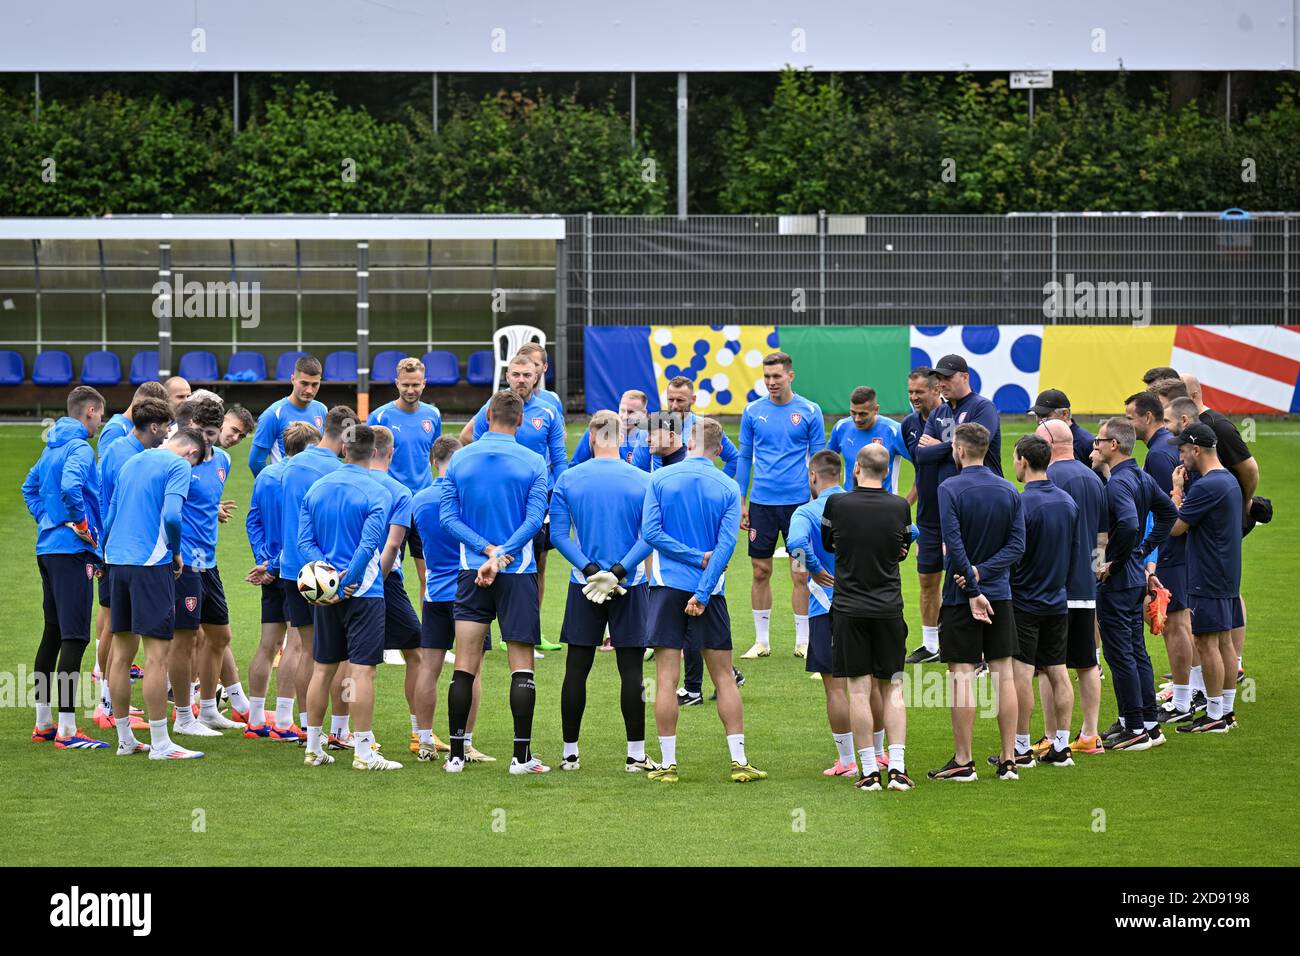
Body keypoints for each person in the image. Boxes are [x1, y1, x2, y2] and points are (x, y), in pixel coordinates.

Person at [643, 416, 765, 784]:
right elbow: (726, 548)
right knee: (724, 678)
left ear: (688, 441)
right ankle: (739, 761)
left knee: (666, 678)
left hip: (666, 588)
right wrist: (702, 587)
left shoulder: (659, 479)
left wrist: (690, 558)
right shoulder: (728, 487)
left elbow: (651, 533)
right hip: (710, 592)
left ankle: (668, 765)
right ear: (717, 448)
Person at [441, 390, 550, 774]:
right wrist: (502, 555)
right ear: (520, 420)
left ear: (487, 416)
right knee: (521, 666)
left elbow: (448, 518)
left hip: (472, 572)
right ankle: (521, 757)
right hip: (517, 574)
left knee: (465, 664)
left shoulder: (459, 459)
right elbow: (535, 521)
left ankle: (455, 754)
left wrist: (485, 552)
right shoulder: (534, 461)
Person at [550, 411, 659, 772]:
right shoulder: (644, 480)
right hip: (629, 585)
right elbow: (650, 537)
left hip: (583, 586)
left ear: (593, 438)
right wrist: (618, 572)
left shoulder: (568, 478)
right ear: (621, 438)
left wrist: (591, 570)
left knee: (576, 668)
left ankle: (569, 753)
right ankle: (636, 754)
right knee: (631, 670)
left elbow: (557, 536)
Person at [298, 424, 401, 771]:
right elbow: (369, 544)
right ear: (373, 453)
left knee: (322, 669)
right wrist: (347, 583)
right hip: (365, 593)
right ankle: (363, 752)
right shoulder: (378, 491)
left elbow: (303, 543)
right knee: (361, 673)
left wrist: (326, 577)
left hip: (324, 594)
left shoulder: (316, 488)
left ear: (343, 449)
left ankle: (314, 747)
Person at [101, 427, 207, 758]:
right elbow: (173, 516)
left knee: (121, 655)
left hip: (116, 562)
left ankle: (125, 739)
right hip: (151, 565)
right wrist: (175, 551)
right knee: (156, 656)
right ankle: (161, 744)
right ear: (191, 453)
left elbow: (110, 517)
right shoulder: (178, 466)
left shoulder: (131, 462)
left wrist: (108, 554)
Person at [927, 423, 1024, 783]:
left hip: (959, 596)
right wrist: (983, 575)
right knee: (1004, 676)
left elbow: (953, 544)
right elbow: (1017, 547)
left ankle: (963, 761)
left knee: (962, 676)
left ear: (959, 449)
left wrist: (971, 587)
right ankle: (1009, 758)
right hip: (1001, 595)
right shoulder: (1009, 490)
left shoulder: (949, 488)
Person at [819, 444, 914, 791]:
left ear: (856, 468)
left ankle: (869, 771)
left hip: (849, 609)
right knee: (893, 690)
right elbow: (902, 547)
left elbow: (829, 544)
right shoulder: (900, 506)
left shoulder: (837, 504)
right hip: (889, 609)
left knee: (858, 692)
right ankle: (899, 767)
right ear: (887, 472)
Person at [462, 355, 567, 654]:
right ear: (508, 376)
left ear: (537, 376)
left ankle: (524, 633)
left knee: (532, 565)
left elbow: (559, 459)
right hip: (494, 501)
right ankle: (480, 634)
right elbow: (471, 441)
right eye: (517, 374)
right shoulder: (493, 407)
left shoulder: (548, 411)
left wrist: (559, 499)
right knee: (485, 553)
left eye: (527, 375)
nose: (522, 379)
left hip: (535, 501)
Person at [24, 386, 107, 750]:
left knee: (53, 634)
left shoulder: (51, 447)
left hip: (48, 549)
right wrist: (79, 524)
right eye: (101, 415)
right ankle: (69, 729)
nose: (101, 422)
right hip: (72, 552)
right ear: (89, 411)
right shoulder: (78, 448)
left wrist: (47, 520)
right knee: (75, 637)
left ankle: (44, 722)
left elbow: (29, 488)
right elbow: (73, 488)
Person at [913, 354, 1002, 677]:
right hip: (943, 508)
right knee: (953, 577)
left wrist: (942, 445)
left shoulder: (982, 407)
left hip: (979, 505)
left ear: (964, 376)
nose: (941, 383)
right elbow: (920, 455)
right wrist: (948, 446)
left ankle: (987, 651)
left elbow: (977, 445)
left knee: (978, 574)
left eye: (947, 377)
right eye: (939, 378)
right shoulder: (938, 411)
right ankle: (958, 647)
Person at [1092, 417, 1176, 752]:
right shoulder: (1140, 476)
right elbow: (1168, 513)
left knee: (1119, 654)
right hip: (1132, 578)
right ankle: (1147, 723)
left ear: (1114, 445)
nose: (1095, 445)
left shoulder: (1118, 483)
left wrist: (1117, 559)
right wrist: (1141, 552)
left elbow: (1126, 523)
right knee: (1136, 650)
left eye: (1099, 441)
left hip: (1117, 579)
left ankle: (1136, 728)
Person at [736, 351, 826, 660]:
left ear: (790, 376)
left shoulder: (810, 411)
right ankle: (762, 642)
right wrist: (742, 501)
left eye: (777, 376)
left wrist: (816, 505)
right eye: (767, 376)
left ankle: (803, 641)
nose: (771, 382)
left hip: (799, 507)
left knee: (800, 572)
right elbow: (745, 458)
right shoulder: (752, 412)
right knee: (760, 570)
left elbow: (818, 462)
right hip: (761, 505)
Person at [409, 437, 494, 763]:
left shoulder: (419, 500)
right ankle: (465, 743)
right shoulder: (469, 498)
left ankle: (426, 740)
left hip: (435, 592)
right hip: (470, 589)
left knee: (429, 667)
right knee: (471, 669)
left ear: (433, 462)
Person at [167, 398, 247, 737]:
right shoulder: (179, 461)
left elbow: (203, 500)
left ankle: (210, 709)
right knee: (184, 640)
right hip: (183, 561)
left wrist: (212, 511)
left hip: (208, 561)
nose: (208, 440)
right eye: (203, 432)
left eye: (213, 433)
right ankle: (184, 717)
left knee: (220, 635)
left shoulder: (223, 461)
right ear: (191, 427)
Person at [91, 397, 172, 730]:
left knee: (117, 633)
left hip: (113, 551)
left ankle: (111, 708)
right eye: (166, 426)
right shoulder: (135, 458)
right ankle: (107, 706)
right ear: (153, 425)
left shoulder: (114, 449)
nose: (168, 433)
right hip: (135, 556)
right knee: (125, 636)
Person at [241, 421, 320, 741]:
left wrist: (263, 559)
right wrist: (274, 564)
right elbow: (296, 529)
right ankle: (285, 720)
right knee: (296, 645)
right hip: (292, 570)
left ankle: (257, 719)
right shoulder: (302, 477)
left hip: (270, 569)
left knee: (267, 643)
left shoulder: (267, 476)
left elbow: (253, 520)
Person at [279, 406, 353, 745]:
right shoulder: (339, 471)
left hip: (293, 569)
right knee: (341, 654)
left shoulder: (288, 467)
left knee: (306, 650)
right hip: (327, 572)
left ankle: (309, 729)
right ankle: (339, 729)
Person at [1037, 419, 1108, 756]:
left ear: (1050, 443)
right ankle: (1090, 735)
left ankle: (1053, 736)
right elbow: (1102, 536)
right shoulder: (1094, 478)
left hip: (1054, 587)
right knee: (1086, 663)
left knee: (1049, 666)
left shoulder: (1048, 478)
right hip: (1084, 587)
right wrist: (1093, 572)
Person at [1182, 373, 1258, 683]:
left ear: (1195, 394)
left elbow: (1250, 469)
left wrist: (1244, 505)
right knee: (1221, 590)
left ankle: (1227, 671)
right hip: (1207, 513)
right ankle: (1213, 677)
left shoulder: (1219, 426)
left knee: (1224, 591)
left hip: (1218, 518)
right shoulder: (1193, 429)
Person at [1125, 390, 1195, 724]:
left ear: (1147, 418)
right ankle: (1189, 691)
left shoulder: (1158, 455)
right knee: (1177, 622)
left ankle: (1183, 699)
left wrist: (1151, 553)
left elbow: (1163, 509)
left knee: (1175, 622)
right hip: (1175, 548)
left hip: (1171, 550)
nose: (1128, 424)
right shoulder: (1166, 448)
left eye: (1130, 417)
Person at [1008, 434, 1078, 768]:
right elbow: (1076, 552)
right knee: (1058, 671)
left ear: (1022, 459)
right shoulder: (1068, 502)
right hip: (1057, 600)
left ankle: (1021, 749)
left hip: (1024, 602)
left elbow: (1014, 554)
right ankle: (1062, 746)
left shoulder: (1020, 503)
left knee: (1021, 675)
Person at [1168, 424, 1243, 733]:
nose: (1181, 457)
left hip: (1206, 575)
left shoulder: (1207, 486)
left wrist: (1175, 491)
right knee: (1224, 641)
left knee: (1206, 641)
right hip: (1226, 573)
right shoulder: (1229, 481)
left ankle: (1214, 716)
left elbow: (1176, 527)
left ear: (1196, 450)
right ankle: (1225, 711)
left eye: (1183, 450)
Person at [785, 450, 854, 776]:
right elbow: (909, 532)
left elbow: (796, 543)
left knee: (836, 687)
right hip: (868, 604)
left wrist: (812, 568)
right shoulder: (863, 504)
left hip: (825, 605)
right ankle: (882, 754)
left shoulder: (806, 511)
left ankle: (847, 759)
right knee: (874, 683)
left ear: (813, 477)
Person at [365, 425, 425, 755]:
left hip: (340, 577)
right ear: (391, 453)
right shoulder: (399, 491)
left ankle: (339, 733)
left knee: (346, 659)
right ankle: (419, 734)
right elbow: (393, 545)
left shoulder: (340, 482)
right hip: (383, 580)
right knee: (415, 652)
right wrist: (376, 578)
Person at [367, 356, 442, 584]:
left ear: (424, 383)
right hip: (391, 503)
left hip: (422, 504)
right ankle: (383, 620)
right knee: (385, 573)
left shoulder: (433, 415)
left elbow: (433, 454)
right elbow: (368, 460)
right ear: (397, 383)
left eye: (415, 384)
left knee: (428, 576)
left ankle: (427, 622)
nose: (410, 389)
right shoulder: (380, 416)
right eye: (406, 384)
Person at [901, 367, 944, 665]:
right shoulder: (909, 425)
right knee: (927, 580)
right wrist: (906, 504)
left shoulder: (952, 420)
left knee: (964, 581)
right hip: (928, 519)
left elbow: (961, 455)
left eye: (919, 392)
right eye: (911, 392)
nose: (914, 397)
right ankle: (931, 645)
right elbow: (919, 470)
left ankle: (971, 646)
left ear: (935, 390)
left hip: (959, 516)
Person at [248, 355, 326, 476]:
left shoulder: (322, 410)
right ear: (293, 379)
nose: (309, 390)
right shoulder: (273, 415)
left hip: (314, 489)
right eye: (304, 383)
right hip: (285, 490)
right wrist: (274, 486)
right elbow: (256, 461)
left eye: (315, 384)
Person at [826, 386, 909, 493]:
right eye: (853, 412)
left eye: (863, 414)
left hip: (885, 507)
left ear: (876, 409)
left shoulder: (893, 431)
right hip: (849, 505)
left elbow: (921, 467)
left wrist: (906, 502)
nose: (857, 419)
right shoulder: (841, 427)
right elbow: (826, 464)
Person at [654, 376, 740, 477]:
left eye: (680, 400)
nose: (674, 406)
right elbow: (639, 466)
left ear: (693, 399)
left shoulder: (705, 428)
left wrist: (716, 485)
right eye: (671, 400)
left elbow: (734, 459)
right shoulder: (652, 428)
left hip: (694, 492)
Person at [569, 389, 650, 469]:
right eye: (622, 410)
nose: (625, 417)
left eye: (631, 412)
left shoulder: (651, 436)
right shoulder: (599, 428)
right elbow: (575, 465)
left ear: (644, 413)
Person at [97, 381, 170, 454]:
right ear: (142, 404)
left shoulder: (141, 427)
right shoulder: (115, 429)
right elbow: (107, 463)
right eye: (155, 410)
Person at [1031, 388, 1094, 464]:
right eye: (1037, 415)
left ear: (1065, 414)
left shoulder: (1086, 443)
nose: (1040, 421)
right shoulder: (1038, 441)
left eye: (1045, 415)